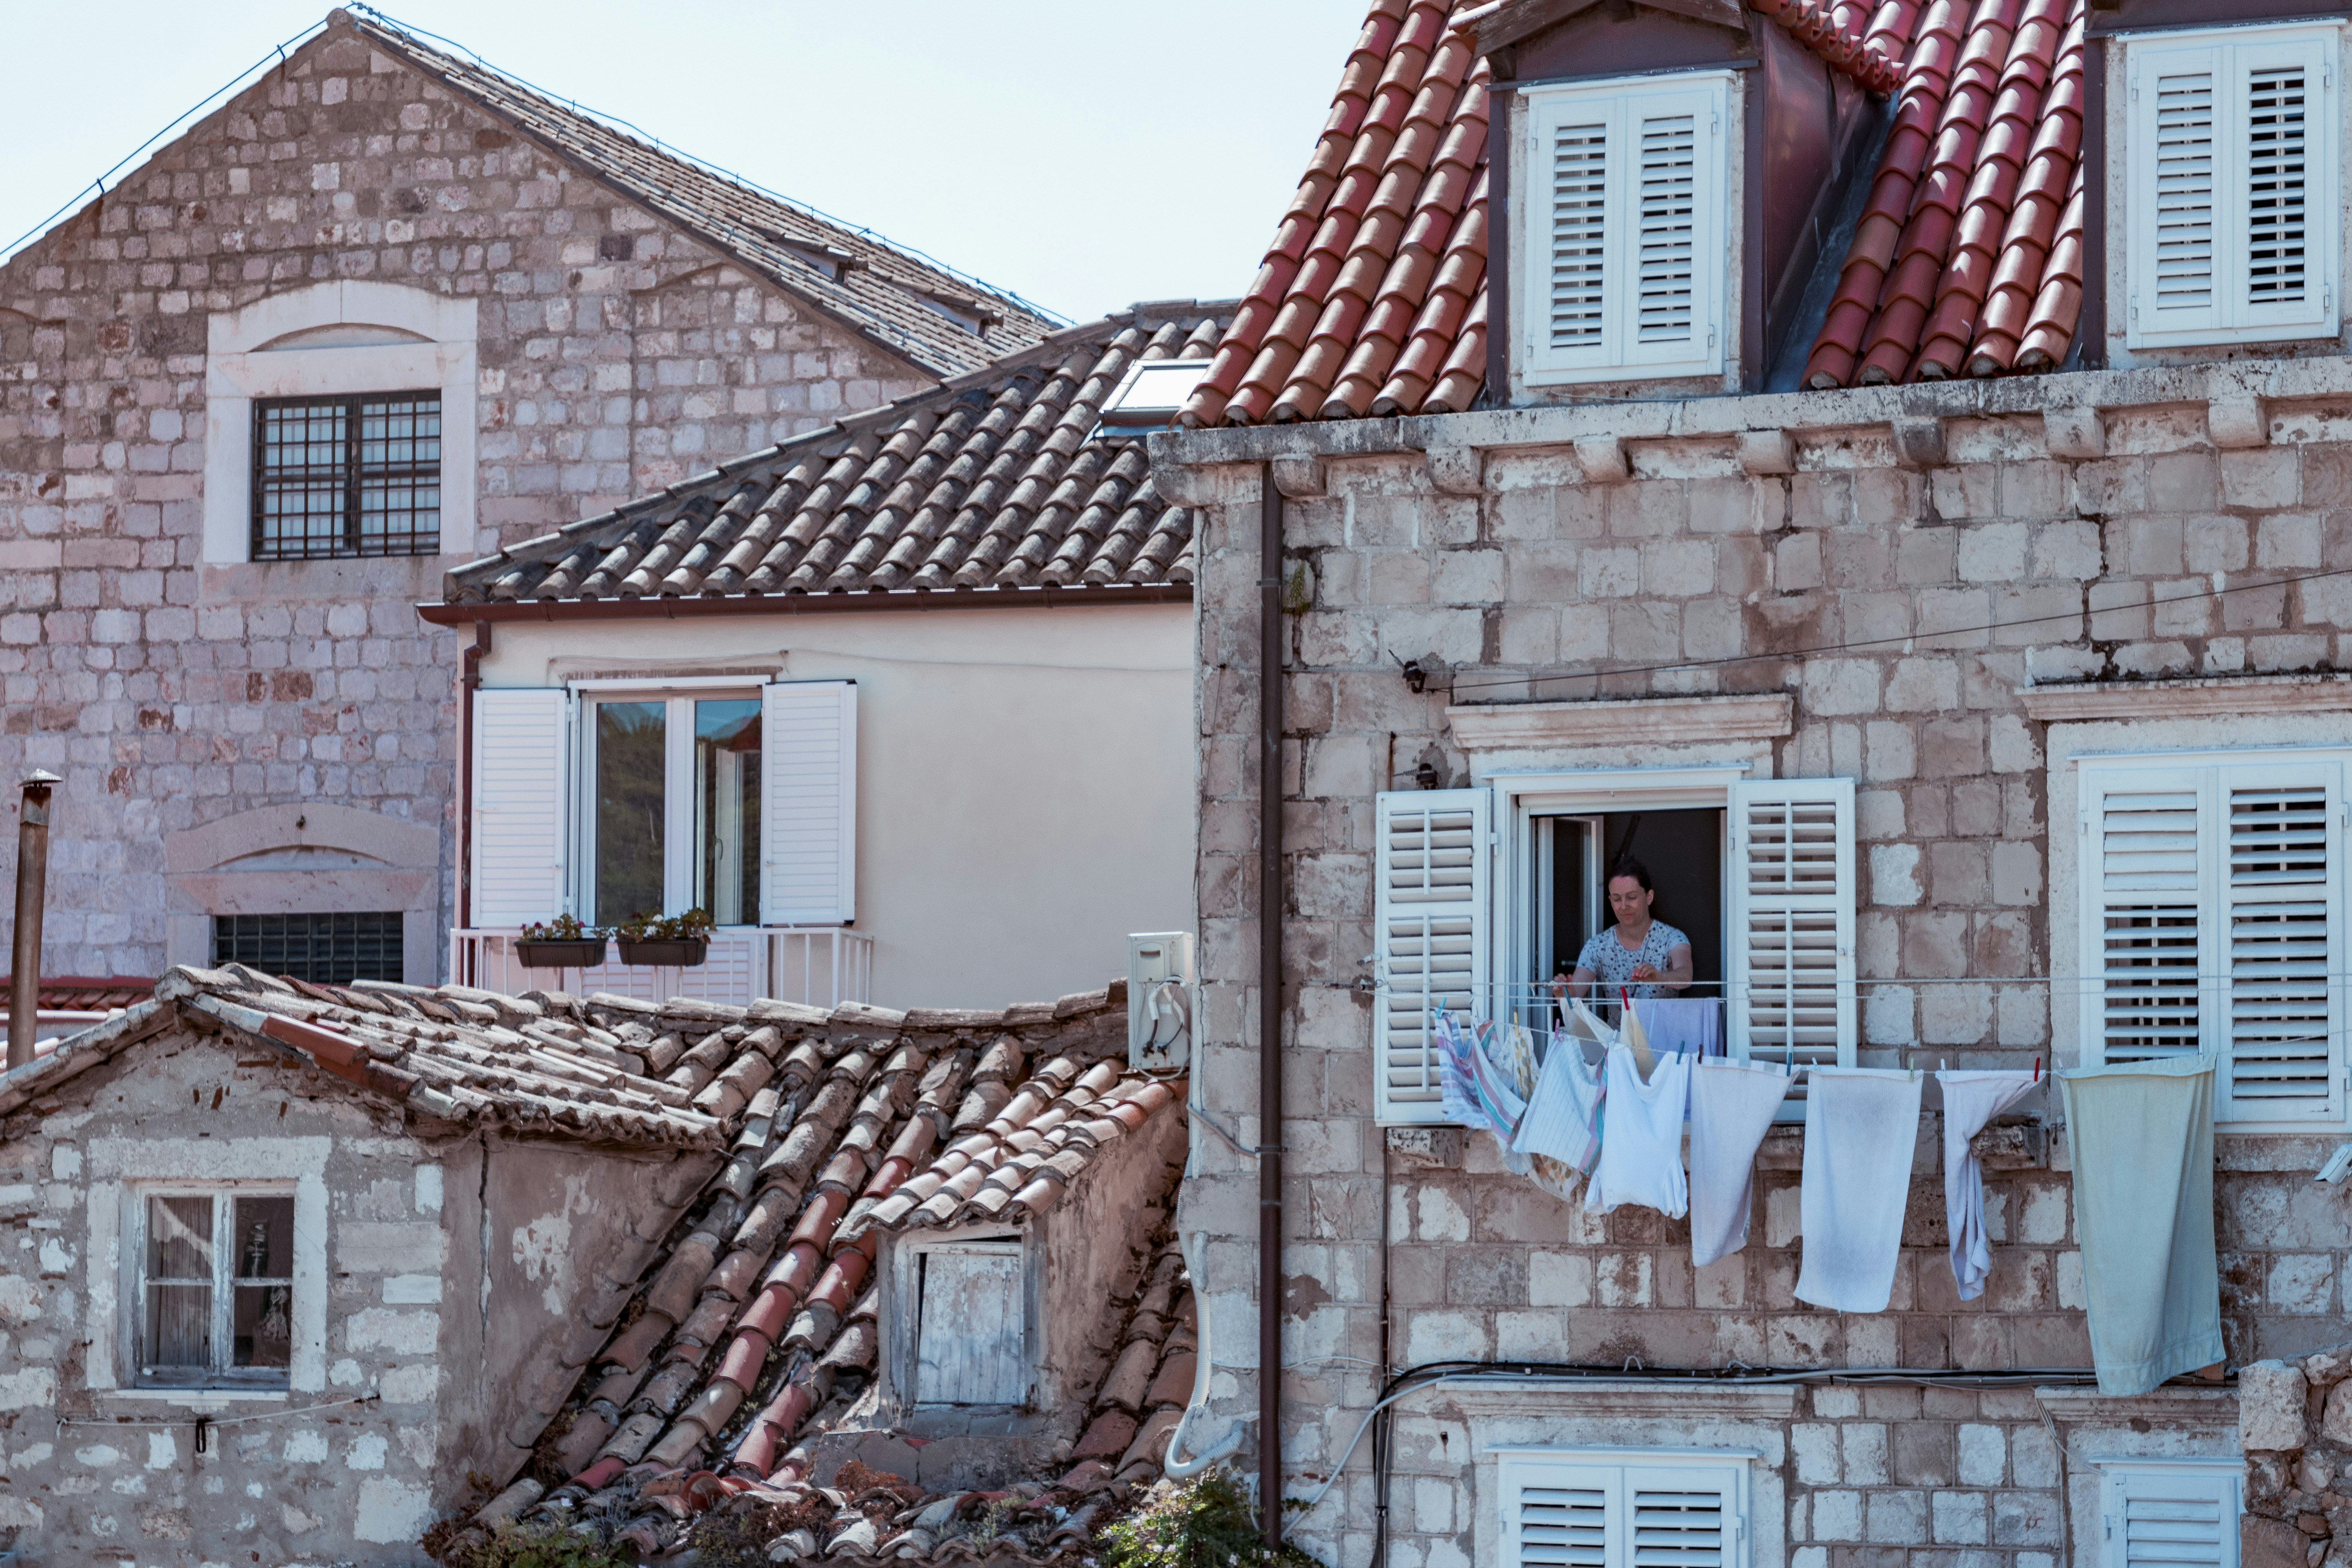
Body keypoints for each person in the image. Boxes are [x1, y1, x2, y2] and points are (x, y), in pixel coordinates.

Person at [1553, 858, 1694, 1003]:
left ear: (1649, 897)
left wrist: (1659, 977)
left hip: (1663, 1027)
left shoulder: (1672, 938)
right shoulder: (1598, 945)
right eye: (1617, 899)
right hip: (1617, 1028)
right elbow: (1574, 995)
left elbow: (1686, 976)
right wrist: (1565, 995)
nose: (1624, 906)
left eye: (1632, 897)